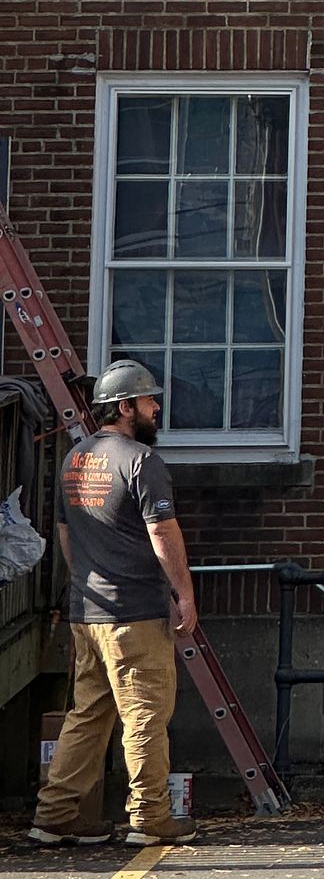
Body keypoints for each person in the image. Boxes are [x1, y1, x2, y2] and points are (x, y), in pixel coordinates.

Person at [28, 360, 198, 851]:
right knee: (145, 715)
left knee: (89, 713)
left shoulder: (75, 459)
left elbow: (64, 534)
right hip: (134, 615)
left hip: (88, 611)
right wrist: (183, 594)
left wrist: (84, 579)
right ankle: (150, 816)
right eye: (148, 401)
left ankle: (55, 816)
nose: (156, 408)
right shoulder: (142, 462)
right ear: (125, 408)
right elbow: (162, 531)